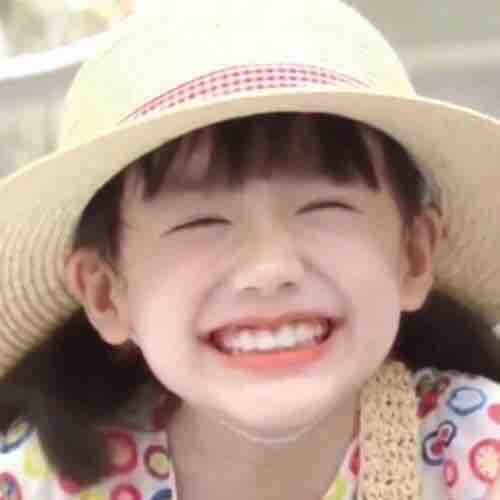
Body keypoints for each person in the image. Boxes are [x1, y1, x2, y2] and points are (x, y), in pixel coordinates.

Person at [0, 1, 500, 499]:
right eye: (201, 221)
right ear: (107, 293)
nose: (271, 268)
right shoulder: (32, 483)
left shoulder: (481, 458)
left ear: (413, 255)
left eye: (324, 207)